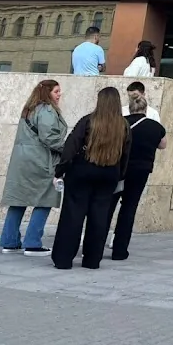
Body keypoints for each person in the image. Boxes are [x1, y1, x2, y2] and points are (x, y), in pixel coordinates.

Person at [51, 87, 131, 270]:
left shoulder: (88, 121)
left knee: (72, 215)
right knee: (99, 217)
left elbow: (71, 146)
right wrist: (120, 175)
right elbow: (126, 154)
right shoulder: (124, 126)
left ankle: (63, 259)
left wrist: (60, 171)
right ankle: (92, 260)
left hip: (82, 171)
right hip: (109, 174)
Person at [0, 80, 68, 256]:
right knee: (45, 200)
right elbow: (50, 137)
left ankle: (9, 242)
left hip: (22, 162)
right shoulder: (46, 110)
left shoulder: (29, 109)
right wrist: (69, 149)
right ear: (47, 93)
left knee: (18, 201)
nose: (59, 94)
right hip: (40, 161)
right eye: (56, 91)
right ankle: (32, 243)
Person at [106, 88, 167, 261]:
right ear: (145, 109)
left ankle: (96, 244)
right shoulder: (156, 127)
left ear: (130, 108)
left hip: (119, 170)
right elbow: (163, 145)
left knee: (108, 206)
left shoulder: (120, 123)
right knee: (129, 208)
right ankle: (120, 250)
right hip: (141, 171)